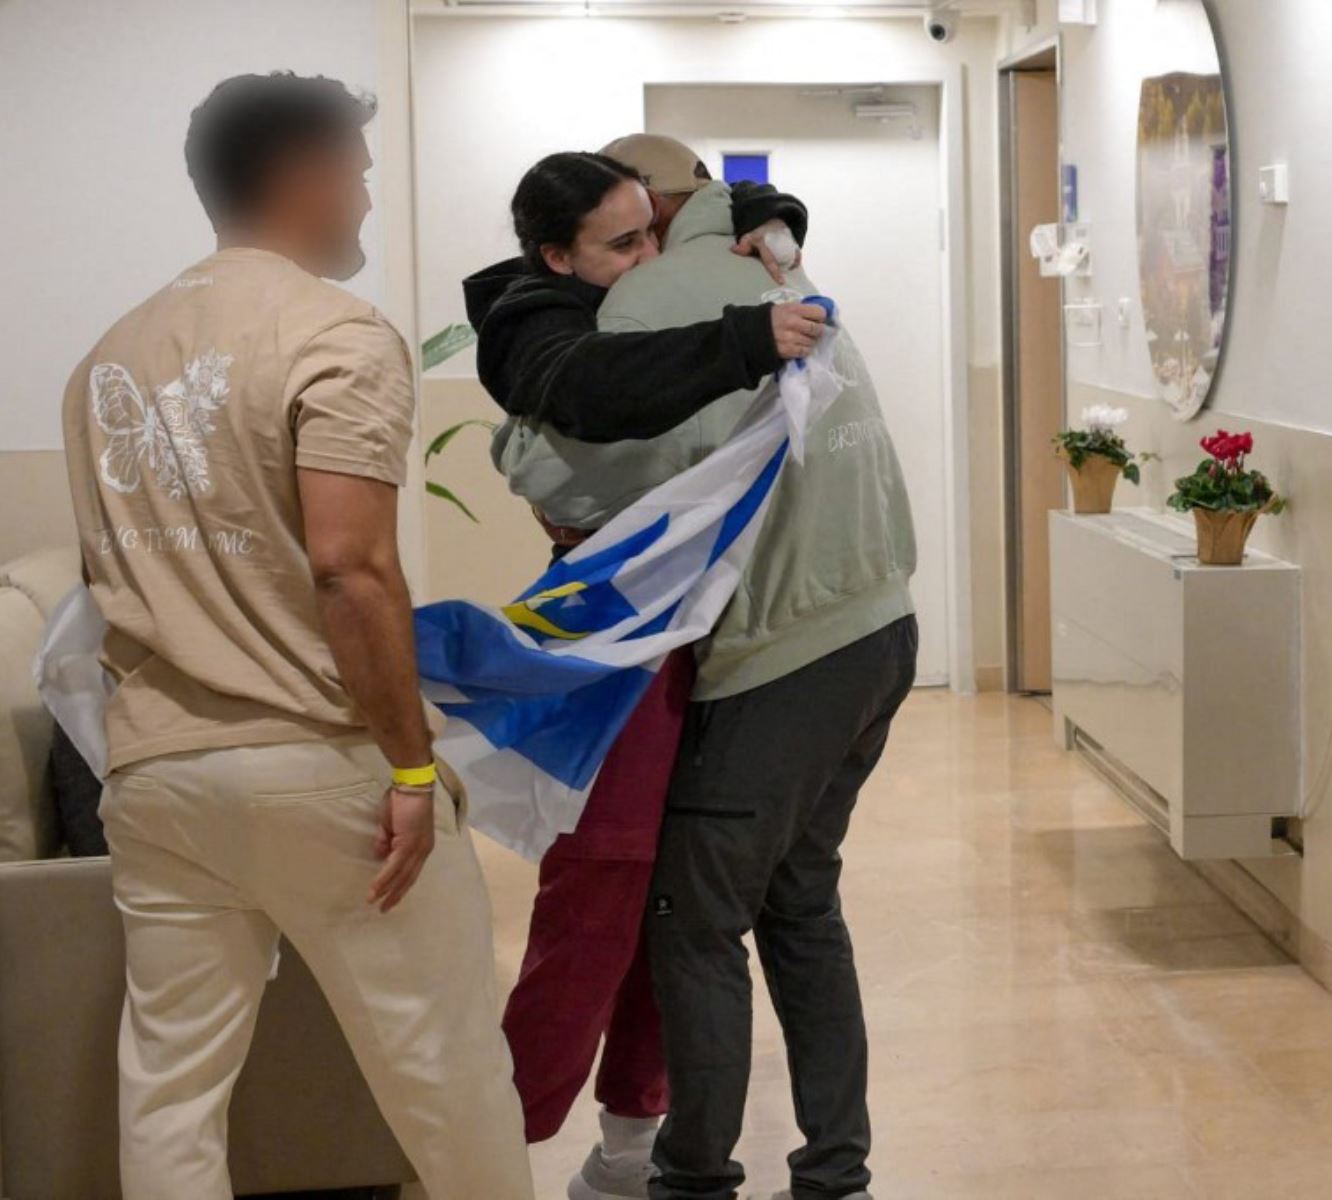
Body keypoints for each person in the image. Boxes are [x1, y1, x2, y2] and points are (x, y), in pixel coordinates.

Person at [61, 73, 533, 1200]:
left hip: (157, 776)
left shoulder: (107, 359)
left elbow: (113, 580)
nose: (365, 200)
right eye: (359, 173)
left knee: (171, 1090)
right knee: (447, 1071)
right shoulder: (334, 333)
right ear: (307, 174)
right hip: (322, 773)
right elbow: (350, 568)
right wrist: (413, 766)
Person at [497, 133, 915, 1200]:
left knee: (692, 921)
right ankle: (835, 1174)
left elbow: (575, 479)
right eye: (614, 240)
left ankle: (684, 1180)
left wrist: (518, 451)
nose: (634, 257)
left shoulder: (657, 297)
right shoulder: (777, 264)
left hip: (785, 654)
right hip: (880, 629)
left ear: (662, 209)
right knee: (799, 905)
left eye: (640, 231)